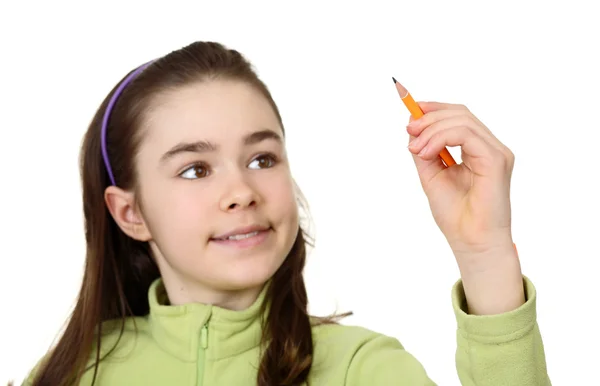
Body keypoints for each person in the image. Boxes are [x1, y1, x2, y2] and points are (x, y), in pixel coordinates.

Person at [22, 41, 551, 385]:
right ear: (130, 213)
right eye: (194, 169)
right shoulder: (72, 372)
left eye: (261, 158)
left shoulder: (359, 370)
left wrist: (484, 255)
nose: (242, 190)